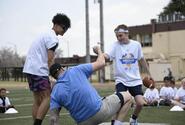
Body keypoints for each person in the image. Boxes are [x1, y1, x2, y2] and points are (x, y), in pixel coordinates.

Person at [49, 46, 132, 125]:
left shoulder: (55, 92)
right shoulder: (76, 70)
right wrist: (99, 50)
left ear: (54, 77)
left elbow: (54, 119)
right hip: (99, 111)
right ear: (62, 68)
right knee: (128, 97)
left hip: (82, 122)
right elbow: (101, 62)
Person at [94, 24, 152, 125]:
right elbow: (107, 56)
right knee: (120, 103)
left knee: (140, 103)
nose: (118, 38)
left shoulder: (136, 45)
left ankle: (133, 119)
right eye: (117, 36)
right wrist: (99, 52)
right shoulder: (115, 45)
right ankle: (115, 122)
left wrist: (149, 73)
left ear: (127, 33)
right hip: (121, 80)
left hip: (135, 80)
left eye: (120, 35)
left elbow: (142, 60)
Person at [23, 13, 71, 125]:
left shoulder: (45, 34)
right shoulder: (53, 38)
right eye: (64, 28)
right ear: (57, 25)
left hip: (30, 68)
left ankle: (35, 122)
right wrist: (53, 75)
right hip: (38, 70)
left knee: (38, 100)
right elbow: (50, 59)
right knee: (48, 97)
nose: (64, 32)